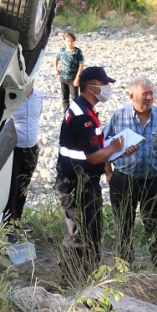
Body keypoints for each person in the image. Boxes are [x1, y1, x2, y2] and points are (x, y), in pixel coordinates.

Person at [55, 67, 126, 279]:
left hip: (84, 181)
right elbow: (94, 156)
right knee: (80, 233)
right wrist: (114, 148)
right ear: (90, 88)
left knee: (92, 229)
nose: (107, 88)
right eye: (103, 84)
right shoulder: (82, 116)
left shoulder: (85, 109)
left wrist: (116, 150)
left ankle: (88, 274)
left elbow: (94, 148)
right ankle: (72, 279)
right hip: (76, 184)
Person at [104, 77, 157, 266]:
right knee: (123, 225)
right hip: (123, 179)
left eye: (152, 93)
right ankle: (124, 267)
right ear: (132, 96)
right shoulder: (118, 116)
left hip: (154, 180)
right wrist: (109, 173)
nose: (149, 97)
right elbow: (103, 144)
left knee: (156, 226)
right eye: (145, 94)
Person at [5, 86, 43, 230]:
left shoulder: (38, 96)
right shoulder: (12, 97)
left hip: (32, 148)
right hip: (15, 149)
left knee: (23, 186)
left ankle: (17, 219)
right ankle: (7, 223)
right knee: (12, 187)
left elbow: (37, 117)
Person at [53, 31, 84, 112]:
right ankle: (66, 115)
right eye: (68, 41)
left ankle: (75, 115)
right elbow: (56, 59)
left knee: (75, 99)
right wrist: (55, 69)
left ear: (74, 41)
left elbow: (81, 65)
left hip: (73, 79)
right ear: (64, 41)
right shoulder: (62, 51)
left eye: (72, 41)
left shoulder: (77, 52)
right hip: (63, 77)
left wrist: (77, 78)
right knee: (64, 98)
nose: (70, 43)